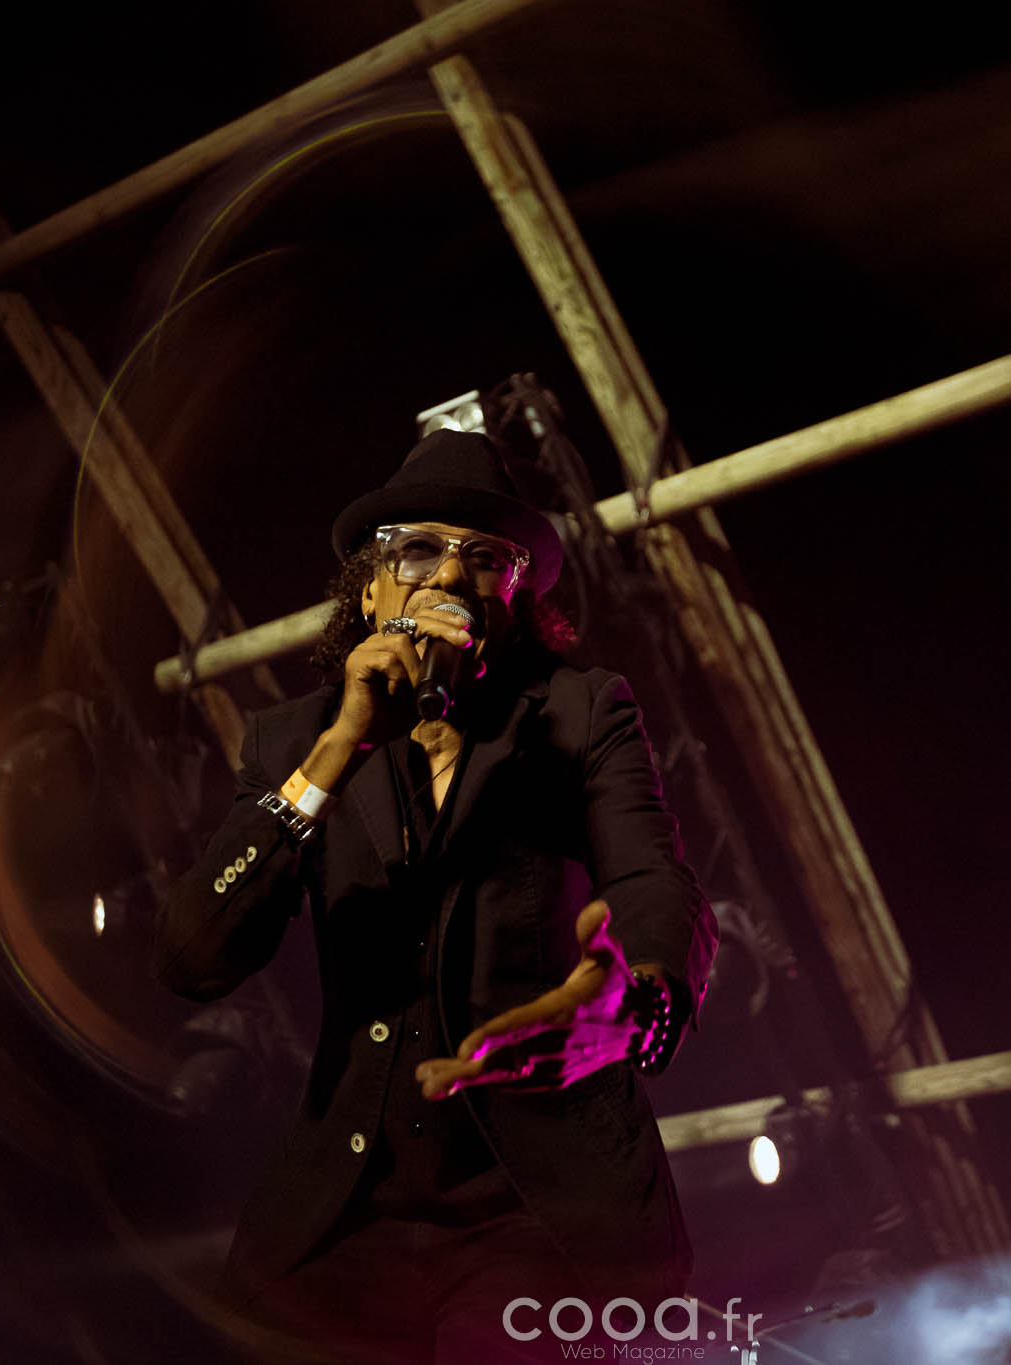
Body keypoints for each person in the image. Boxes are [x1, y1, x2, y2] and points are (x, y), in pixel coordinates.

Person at [152, 428, 718, 1363]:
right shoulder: (295, 740)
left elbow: (653, 877)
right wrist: (337, 752)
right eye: (419, 549)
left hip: (537, 1206)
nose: (451, 575)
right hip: (349, 1207)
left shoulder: (583, 711)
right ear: (371, 589)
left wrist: (636, 1000)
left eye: (486, 558)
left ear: (517, 599)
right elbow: (192, 955)